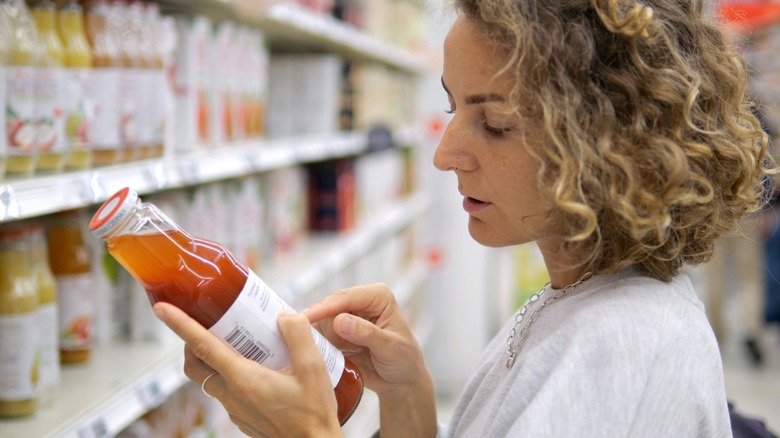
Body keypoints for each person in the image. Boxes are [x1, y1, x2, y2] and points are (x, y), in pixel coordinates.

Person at [152, 0, 773, 436]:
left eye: (495, 123)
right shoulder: (584, 297)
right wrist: (411, 406)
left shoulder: (621, 347)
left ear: (603, 141)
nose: (446, 154)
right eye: (452, 108)